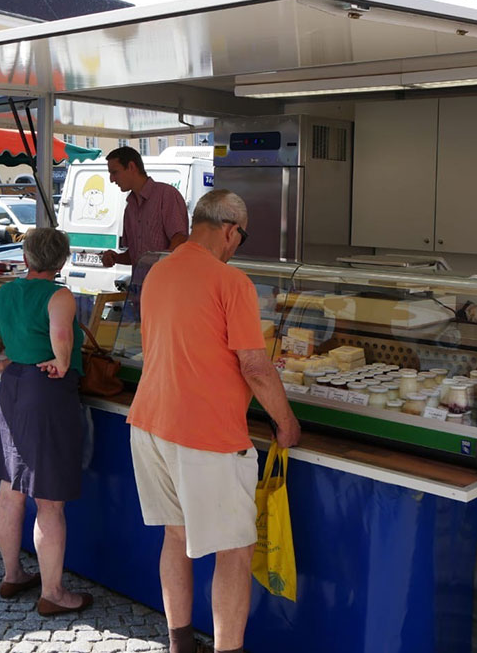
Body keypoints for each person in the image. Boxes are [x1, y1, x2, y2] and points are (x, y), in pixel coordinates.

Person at [126, 189, 301, 653]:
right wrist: (286, 422)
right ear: (230, 230)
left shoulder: (158, 269)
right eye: (239, 238)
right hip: (205, 434)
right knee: (235, 549)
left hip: (149, 422)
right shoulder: (232, 282)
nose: (236, 246)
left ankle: (180, 643)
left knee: (175, 536)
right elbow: (256, 367)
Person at [0, 228, 93, 616]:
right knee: (49, 501)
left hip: (12, 388)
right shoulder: (58, 295)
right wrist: (61, 361)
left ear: (26, 258)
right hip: (48, 394)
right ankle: (53, 592)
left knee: (10, 491)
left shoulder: (2, 294)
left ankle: (13, 574)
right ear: (61, 262)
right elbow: (61, 335)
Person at [99, 146, 189, 273]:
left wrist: (159, 267)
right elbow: (136, 255)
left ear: (131, 167)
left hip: (165, 283)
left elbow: (180, 240)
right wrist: (116, 258)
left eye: (114, 172)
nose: (111, 179)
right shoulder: (130, 207)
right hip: (141, 285)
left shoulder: (166, 195)